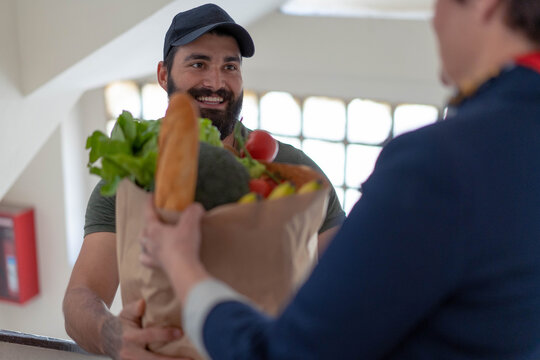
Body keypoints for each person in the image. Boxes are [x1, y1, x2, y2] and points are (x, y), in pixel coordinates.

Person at [138, 0, 540, 358]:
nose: (434, 19)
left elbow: (288, 352)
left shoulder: (435, 163)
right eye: (198, 63)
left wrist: (181, 265)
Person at [62, 3, 345, 360]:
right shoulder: (133, 174)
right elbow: (81, 295)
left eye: (230, 66)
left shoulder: (291, 171)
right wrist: (109, 335)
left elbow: (348, 284)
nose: (216, 82)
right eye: (198, 64)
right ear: (164, 75)